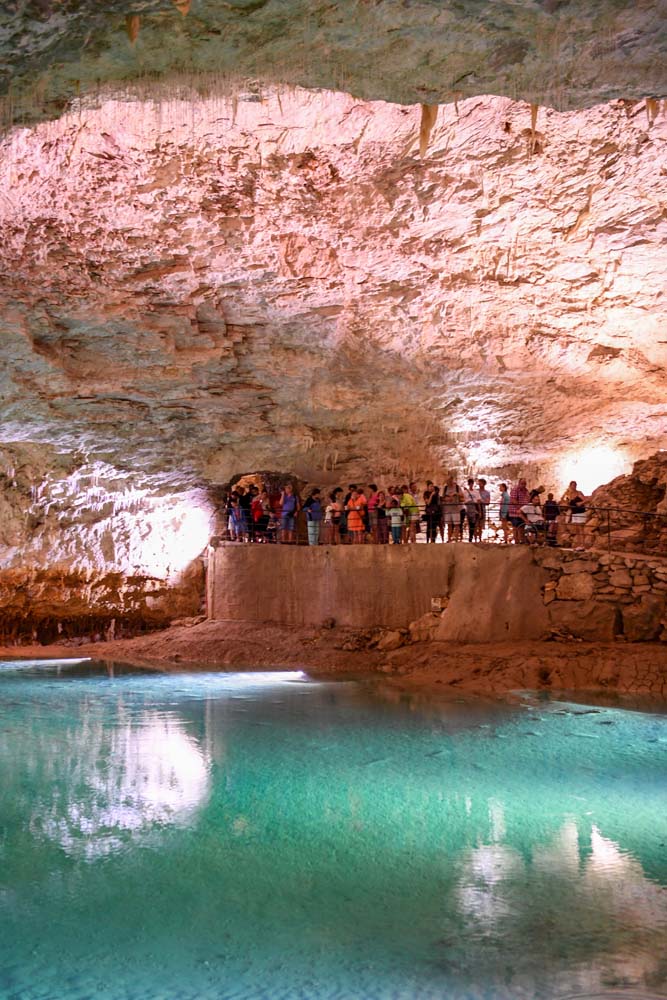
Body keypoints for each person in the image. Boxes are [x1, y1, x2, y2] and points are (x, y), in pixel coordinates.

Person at [509, 477, 531, 543]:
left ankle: (522, 541)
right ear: (519, 483)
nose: (523, 485)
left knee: (521, 527)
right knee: (516, 527)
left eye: (524, 484)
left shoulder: (526, 490)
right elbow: (513, 500)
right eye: (522, 483)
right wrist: (521, 507)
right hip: (515, 512)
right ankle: (516, 541)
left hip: (523, 512)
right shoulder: (515, 490)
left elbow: (528, 499)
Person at [566, 481, 588, 550]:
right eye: (572, 485)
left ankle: (582, 545)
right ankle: (579, 545)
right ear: (570, 486)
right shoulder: (570, 494)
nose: (574, 487)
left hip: (580, 512)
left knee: (581, 529)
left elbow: (586, 500)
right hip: (574, 513)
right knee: (577, 530)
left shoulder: (579, 493)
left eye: (575, 485)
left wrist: (581, 503)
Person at [442, 474, 463, 541]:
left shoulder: (457, 487)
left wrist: (456, 494)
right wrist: (447, 499)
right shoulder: (445, 488)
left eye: (449, 480)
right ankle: (449, 539)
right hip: (447, 509)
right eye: (447, 481)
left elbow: (462, 495)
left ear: (451, 480)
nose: (448, 482)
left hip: (455, 509)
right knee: (449, 525)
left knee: (457, 524)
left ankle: (456, 538)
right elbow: (442, 498)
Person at [462, 478, 480, 543]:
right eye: (470, 483)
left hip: (474, 508)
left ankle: (472, 538)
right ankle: (470, 537)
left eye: (472, 483)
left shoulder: (476, 492)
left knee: (473, 523)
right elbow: (463, 500)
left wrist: (479, 510)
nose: (471, 485)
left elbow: (478, 501)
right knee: (470, 523)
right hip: (468, 508)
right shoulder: (465, 492)